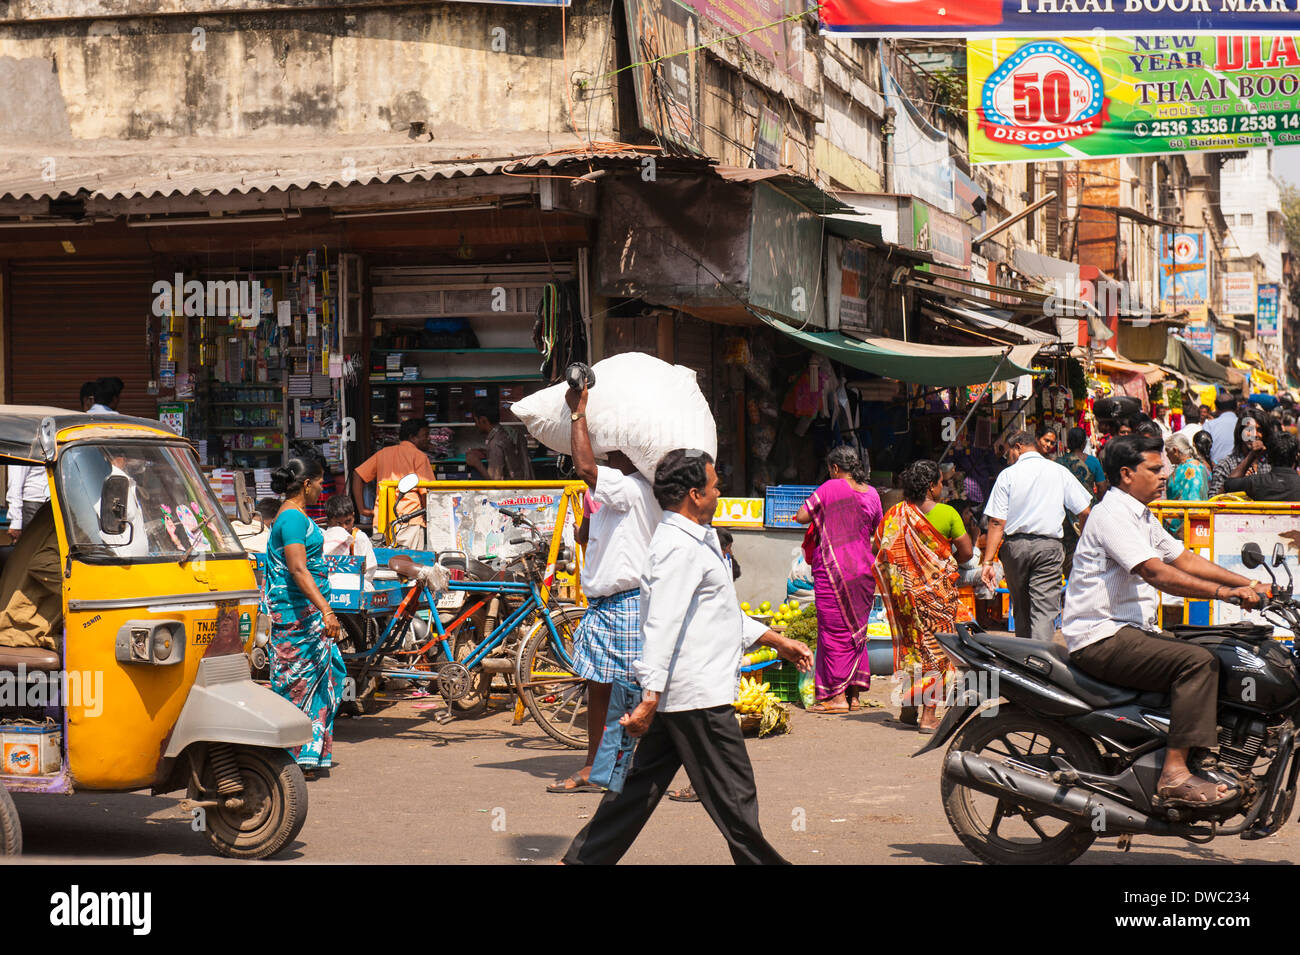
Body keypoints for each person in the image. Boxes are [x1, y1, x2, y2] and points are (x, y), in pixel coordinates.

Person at [561, 449, 813, 865]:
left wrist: (774, 639)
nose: (719, 492)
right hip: (695, 696)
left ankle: (580, 861)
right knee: (735, 794)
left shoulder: (697, 539)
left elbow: (719, 612)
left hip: (681, 694)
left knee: (638, 791)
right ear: (695, 494)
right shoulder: (677, 547)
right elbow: (662, 622)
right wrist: (650, 696)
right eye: (714, 486)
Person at [1063, 434, 1264, 807]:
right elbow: (1158, 573)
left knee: (1217, 650)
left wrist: (1250, 582)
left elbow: (1183, 559)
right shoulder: (1112, 514)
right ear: (1126, 474)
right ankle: (1173, 773)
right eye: (1154, 469)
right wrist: (1224, 594)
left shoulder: (1140, 514)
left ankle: (1199, 753)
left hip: (1131, 631)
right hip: (1101, 636)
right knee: (1197, 662)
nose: (1163, 476)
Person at [547, 382, 661, 794]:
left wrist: (578, 412)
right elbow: (583, 535)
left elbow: (585, 468)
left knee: (637, 694)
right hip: (604, 605)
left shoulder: (632, 488)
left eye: (612, 451)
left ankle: (644, 769)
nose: (606, 455)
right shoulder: (614, 495)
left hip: (628, 603)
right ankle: (596, 766)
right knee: (599, 686)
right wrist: (590, 512)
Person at [874, 459, 973, 733]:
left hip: (904, 596)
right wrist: (938, 562)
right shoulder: (947, 514)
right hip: (935, 596)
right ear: (931, 486)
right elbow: (966, 553)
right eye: (941, 482)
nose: (943, 487)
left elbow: (879, 547)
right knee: (935, 652)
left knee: (911, 648)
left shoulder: (895, 513)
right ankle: (928, 717)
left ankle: (908, 709)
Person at [265, 456, 346, 776]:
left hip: (306, 615)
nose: (322, 490)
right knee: (297, 683)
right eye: (320, 483)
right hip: (297, 615)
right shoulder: (293, 520)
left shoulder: (293, 516)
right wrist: (326, 610)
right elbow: (298, 569)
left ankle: (307, 754)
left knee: (326, 677)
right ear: (307, 483)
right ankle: (294, 755)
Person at [793, 446, 883, 714]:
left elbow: (801, 516)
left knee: (832, 634)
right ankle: (853, 696)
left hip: (835, 570)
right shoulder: (873, 493)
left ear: (834, 468)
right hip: (863, 570)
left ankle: (836, 698)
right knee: (857, 633)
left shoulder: (830, 487)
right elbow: (878, 530)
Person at [980, 430, 1093, 642]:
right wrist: (1084, 544)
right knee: (1044, 611)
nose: (1008, 459)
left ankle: (1025, 661)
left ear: (1018, 447)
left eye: (1008, 454)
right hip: (1049, 548)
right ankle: (1040, 661)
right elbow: (1085, 511)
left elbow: (996, 522)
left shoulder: (1008, 475)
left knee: (1021, 609)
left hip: (1015, 548)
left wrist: (987, 561)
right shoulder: (1057, 471)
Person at [351, 418, 435, 548]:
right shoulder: (419, 457)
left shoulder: (383, 453)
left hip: (383, 521)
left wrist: (361, 509)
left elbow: (358, 474)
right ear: (412, 437)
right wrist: (429, 516)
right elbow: (425, 492)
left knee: (386, 563)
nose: (428, 439)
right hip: (410, 520)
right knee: (410, 563)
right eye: (425, 435)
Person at [1208, 408, 1272, 497]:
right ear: (1240, 433)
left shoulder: (1270, 465)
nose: (1254, 434)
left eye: (1259, 430)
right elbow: (1213, 501)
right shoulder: (1225, 465)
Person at [1224, 431, 1300, 501]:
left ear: (1269, 458)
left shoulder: (1256, 482)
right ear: (1297, 457)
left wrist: (1252, 455)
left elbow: (1228, 484)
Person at [466, 401, 533, 481]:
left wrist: (476, 463)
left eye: (476, 421)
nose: (476, 425)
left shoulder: (495, 443)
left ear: (483, 420)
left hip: (511, 491)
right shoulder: (508, 434)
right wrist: (486, 452)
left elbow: (495, 482)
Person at [321, 493, 378, 587]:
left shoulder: (359, 538)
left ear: (353, 516)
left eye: (348, 522)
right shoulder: (324, 537)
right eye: (338, 524)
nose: (344, 527)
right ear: (329, 522)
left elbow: (369, 570)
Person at [1056, 426, 1107, 500]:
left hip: (1067, 507)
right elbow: (1102, 487)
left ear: (1068, 442)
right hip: (1089, 506)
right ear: (1084, 443)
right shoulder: (1094, 461)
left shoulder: (1060, 462)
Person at [5, 463, 50, 543]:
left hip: (56, 503)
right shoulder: (24, 450)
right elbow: (15, 482)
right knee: (32, 547)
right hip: (33, 505)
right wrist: (16, 521)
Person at [1203, 392, 1239, 464]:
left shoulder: (1209, 425)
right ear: (1236, 407)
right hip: (1242, 470)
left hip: (1216, 470)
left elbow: (1204, 451)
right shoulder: (1244, 423)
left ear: (1216, 409)